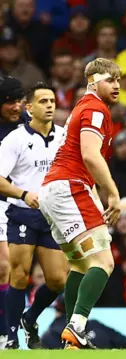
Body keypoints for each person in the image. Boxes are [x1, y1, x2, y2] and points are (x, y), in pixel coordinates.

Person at [38, 58, 123, 350]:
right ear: (93, 82)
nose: (117, 86)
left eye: (119, 81)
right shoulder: (95, 109)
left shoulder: (81, 108)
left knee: (79, 264)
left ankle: (71, 340)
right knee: (104, 261)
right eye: (110, 80)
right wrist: (112, 192)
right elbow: (89, 154)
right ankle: (77, 326)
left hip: (54, 190)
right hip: (69, 187)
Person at [0, 84, 69, 349]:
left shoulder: (63, 136)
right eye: (43, 101)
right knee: (18, 275)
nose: (50, 105)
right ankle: (11, 337)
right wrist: (24, 194)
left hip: (52, 216)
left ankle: (30, 317)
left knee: (57, 280)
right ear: (29, 108)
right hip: (22, 214)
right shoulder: (14, 140)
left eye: (52, 100)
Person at [0, 76, 27, 349]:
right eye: (9, 101)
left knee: (17, 269)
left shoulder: (29, 126)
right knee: (5, 266)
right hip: (2, 201)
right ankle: (6, 332)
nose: (15, 106)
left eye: (19, 100)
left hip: (23, 203)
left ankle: (15, 327)